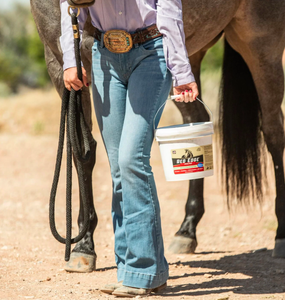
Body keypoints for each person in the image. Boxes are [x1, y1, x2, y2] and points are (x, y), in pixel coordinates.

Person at [60, 0, 198, 297]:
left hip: (151, 54)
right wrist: (71, 59)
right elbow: (67, 3)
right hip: (104, 57)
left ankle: (142, 269)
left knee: (131, 158)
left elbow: (170, 10)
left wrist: (182, 70)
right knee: (119, 168)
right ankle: (136, 272)